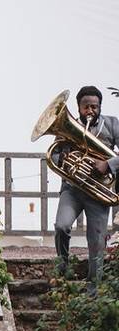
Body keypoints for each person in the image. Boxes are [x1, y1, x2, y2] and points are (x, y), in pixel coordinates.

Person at [53, 85, 119, 286]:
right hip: (72, 189)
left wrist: (108, 164)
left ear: (100, 107)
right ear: (78, 107)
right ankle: (62, 270)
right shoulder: (68, 126)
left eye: (94, 106)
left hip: (99, 192)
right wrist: (62, 160)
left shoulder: (112, 124)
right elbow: (54, 154)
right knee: (61, 226)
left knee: (96, 240)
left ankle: (94, 287)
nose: (90, 110)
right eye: (86, 107)